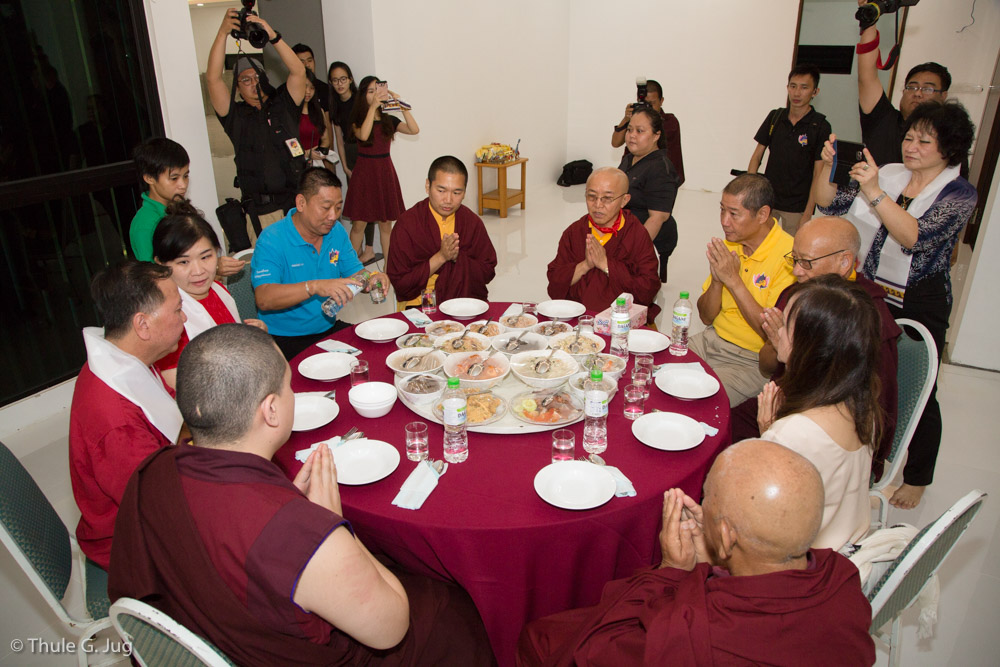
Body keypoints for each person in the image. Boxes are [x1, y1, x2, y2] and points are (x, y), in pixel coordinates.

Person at [108, 324, 497, 667]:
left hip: (201, 637)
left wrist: (287, 507)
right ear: (272, 410)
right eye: (288, 385)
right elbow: (392, 629)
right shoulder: (303, 537)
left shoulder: (152, 471)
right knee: (453, 609)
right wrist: (333, 527)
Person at [517, 439, 876, 666]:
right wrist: (720, 557)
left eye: (708, 500)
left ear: (725, 534)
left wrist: (671, 570)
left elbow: (593, 652)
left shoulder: (694, 635)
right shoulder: (843, 582)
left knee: (541, 637)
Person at [814, 101, 977, 510]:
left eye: (925, 141)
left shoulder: (960, 194)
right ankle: (862, 455)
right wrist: (826, 167)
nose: (912, 147)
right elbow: (829, 205)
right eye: (909, 137)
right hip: (873, 290)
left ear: (950, 149)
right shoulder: (887, 173)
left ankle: (919, 474)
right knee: (866, 370)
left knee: (920, 383)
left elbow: (914, 238)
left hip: (921, 298)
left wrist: (875, 193)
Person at [730, 217, 901, 481]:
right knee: (720, 431)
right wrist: (777, 346)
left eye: (807, 262)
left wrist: (772, 429)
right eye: (794, 259)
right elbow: (768, 369)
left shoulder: (868, 317)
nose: (797, 271)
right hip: (784, 400)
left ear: (845, 262)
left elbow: (874, 409)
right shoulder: (796, 294)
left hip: (826, 430)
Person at [69, 261, 185, 570]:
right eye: (177, 310)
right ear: (142, 324)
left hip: (156, 497)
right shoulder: (116, 422)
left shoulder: (122, 358)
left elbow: (165, 405)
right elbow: (161, 507)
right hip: (134, 547)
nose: (184, 318)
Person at [756, 275, 882, 550]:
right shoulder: (861, 402)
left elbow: (762, 526)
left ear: (811, 346)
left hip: (807, 565)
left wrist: (767, 439)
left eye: (786, 326)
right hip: (847, 547)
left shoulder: (792, 434)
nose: (777, 333)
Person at [251, 167, 388, 360]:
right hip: (282, 340)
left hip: (327, 331)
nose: (333, 216)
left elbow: (356, 273)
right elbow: (264, 298)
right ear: (301, 203)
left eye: (338, 207)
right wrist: (313, 287)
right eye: (325, 207)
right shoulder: (272, 239)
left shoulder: (336, 232)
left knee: (375, 355)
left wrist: (371, 278)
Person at [690, 174, 795, 407]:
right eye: (722, 210)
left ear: (763, 214)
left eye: (734, 214)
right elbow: (706, 316)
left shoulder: (789, 257)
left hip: (750, 361)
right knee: (654, 373)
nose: (724, 221)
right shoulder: (731, 243)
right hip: (709, 340)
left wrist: (734, 281)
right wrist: (718, 281)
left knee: (696, 403)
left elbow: (772, 334)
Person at [206, 9, 307, 239]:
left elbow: (298, 71)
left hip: (296, 206)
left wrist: (273, 36)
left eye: (257, 78)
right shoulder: (236, 118)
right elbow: (213, 79)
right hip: (262, 214)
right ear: (238, 87)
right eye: (245, 80)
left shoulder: (284, 106)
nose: (253, 84)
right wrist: (222, 33)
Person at [152, 202, 267, 388]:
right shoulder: (165, 316)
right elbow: (182, 389)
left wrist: (254, 339)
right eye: (183, 262)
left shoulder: (219, 291)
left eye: (206, 257)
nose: (198, 271)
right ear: (161, 264)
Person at [546, 167, 660, 321]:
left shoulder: (637, 235)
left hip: (620, 322)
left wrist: (606, 265)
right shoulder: (574, 232)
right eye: (591, 196)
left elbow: (647, 289)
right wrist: (585, 265)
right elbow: (555, 284)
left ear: (624, 200)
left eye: (607, 198)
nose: (598, 205)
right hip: (576, 318)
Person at [387, 156, 497, 306]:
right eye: (441, 190)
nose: (448, 200)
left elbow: (488, 271)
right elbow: (400, 283)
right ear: (428, 186)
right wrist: (441, 257)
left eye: (457, 193)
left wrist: (459, 258)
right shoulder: (407, 224)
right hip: (420, 306)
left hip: (464, 304)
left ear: (465, 192)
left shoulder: (471, 222)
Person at [856, 1, 950, 166]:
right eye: (912, 87)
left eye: (928, 88)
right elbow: (866, 75)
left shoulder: (949, 138)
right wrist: (870, 17)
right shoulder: (883, 120)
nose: (918, 93)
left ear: (943, 96)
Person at [343, 75, 419, 264]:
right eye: (370, 91)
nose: (375, 95)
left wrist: (401, 106)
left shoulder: (389, 120)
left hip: (384, 171)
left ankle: (390, 268)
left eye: (377, 91)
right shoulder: (357, 119)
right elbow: (363, 135)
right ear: (363, 95)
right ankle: (350, 269)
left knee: (386, 225)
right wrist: (373, 108)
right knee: (359, 224)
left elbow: (414, 130)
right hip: (364, 173)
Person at [748, 64, 831, 234]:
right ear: (787, 88)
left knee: (789, 254)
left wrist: (808, 213)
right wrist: (750, 193)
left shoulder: (820, 126)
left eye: (804, 87)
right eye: (793, 86)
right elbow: (757, 156)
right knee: (759, 249)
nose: (797, 93)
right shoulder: (775, 117)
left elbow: (818, 173)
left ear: (815, 92)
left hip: (797, 208)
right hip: (767, 201)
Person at [618, 107, 680, 283]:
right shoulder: (629, 158)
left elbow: (658, 217)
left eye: (640, 131)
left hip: (644, 229)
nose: (631, 135)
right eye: (630, 129)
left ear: (656, 135)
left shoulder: (660, 168)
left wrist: (631, 254)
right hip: (623, 224)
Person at [610, 78, 685, 185]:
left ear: (661, 101)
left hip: (659, 177)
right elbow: (615, 143)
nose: (648, 108)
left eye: (652, 104)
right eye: (645, 104)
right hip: (631, 174)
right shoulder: (634, 118)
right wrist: (626, 119)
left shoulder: (670, 121)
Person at [129, 138, 189, 262]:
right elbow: (153, 276)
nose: (183, 185)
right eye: (174, 178)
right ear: (149, 178)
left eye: (186, 176)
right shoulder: (146, 225)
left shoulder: (179, 208)